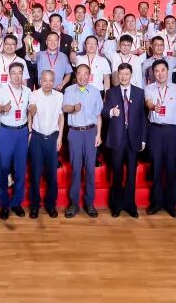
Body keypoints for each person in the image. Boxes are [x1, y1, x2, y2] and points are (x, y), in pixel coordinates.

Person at [144, 60, 176, 217]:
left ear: (168, 71)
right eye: (156, 71)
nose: (160, 73)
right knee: (156, 168)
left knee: (172, 168)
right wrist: (153, 107)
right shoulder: (149, 88)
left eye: (163, 70)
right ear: (153, 73)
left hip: (173, 132)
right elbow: (148, 103)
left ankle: (171, 203)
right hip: (155, 131)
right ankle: (156, 202)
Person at [103, 62, 146, 218]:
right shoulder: (111, 92)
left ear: (131, 75)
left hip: (133, 139)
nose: (123, 77)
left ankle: (130, 205)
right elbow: (104, 112)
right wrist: (111, 112)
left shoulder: (139, 92)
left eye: (126, 74)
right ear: (118, 75)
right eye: (121, 74)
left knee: (131, 174)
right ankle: (117, 205)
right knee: (117, 173)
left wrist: (143, 139)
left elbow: (143, 118)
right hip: (117, 139)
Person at [62, 64, 103, 218]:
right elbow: (64, 108)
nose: (82, 76)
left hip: (91, 132)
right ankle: (74, 203)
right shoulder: (69, 90)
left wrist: (99, 135)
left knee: (90, 170)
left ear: (89, 76)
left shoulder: (95, 92)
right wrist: (73, 108)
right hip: (75, 133)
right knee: (76, 169)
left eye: (85, 73)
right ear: (76, 75)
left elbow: (98, 115)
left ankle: (89, 203)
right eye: (79, 73)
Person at [0, 61, 31, 219]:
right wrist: (3, 108)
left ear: (23, 75)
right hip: (6, 132)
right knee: (3, 169)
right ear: (9, 75)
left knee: (20, 170)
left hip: (21, 132)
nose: (16, 76)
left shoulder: (28, 91)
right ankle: (4, 205)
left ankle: (16, 203)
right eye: (13, 73)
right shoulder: (2, 90)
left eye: (19, 73)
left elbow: (31, 109)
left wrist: (31, 115)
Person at [27, 70, 65, 218]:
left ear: (54, 81)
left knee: (52, 175)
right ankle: (34, 206)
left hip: (53, 137)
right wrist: (30, 130)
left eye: (50, 80)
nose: (48, 83)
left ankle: (51, 205)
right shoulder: (34, 94)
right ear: (40, 81)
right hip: (37, 138)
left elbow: (61, 117)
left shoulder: (59, 96)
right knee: (35, 174)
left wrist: (60, 137)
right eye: (45, 80)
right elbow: (30, 111)